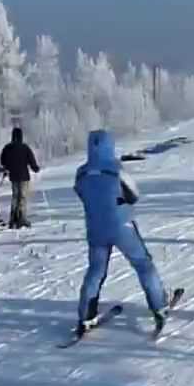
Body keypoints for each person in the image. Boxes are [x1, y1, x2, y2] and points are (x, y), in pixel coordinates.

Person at [73, 130, 170, 337]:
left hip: (95, 229)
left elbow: (80, 193)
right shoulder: (116, 170)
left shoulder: (81, 173)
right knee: (143, 264)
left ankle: (85, 315)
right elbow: (134, 195)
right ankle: (159, 306)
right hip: (121, 226)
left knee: (96, 271)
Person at [0, 127, 40, 229]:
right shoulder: (24, 147)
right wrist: (35, 168)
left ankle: (13, 219)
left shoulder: (7, 148)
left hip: (13, 176)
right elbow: (31, 160)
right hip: (23, 176)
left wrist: (8, 167)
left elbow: (3, 161)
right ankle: (21, 218)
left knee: (15, 196)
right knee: (22, 197)